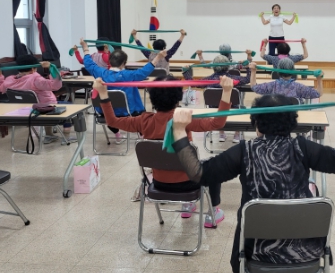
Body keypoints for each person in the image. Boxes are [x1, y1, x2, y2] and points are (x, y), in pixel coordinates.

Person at [170, 94, 335, 273]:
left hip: (255, 251)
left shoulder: (244, 151)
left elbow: (198, 173)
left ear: (256, 123)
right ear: (292, 122)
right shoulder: (303, 148)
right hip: (306, 251)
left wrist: (179, 131)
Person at [92, 75, 235, 227]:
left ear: (152, 98)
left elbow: (112, 121)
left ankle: (187, 206)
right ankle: (212, 213)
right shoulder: (184, 119)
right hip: (189, 184)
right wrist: (227, 91)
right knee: (214, 167)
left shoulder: (143, 121)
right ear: (178, 97)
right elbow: (218, 123)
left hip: (159, 184)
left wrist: (103, 93)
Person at [80, 38, 167, 144]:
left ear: (109, 61)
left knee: (110, 116)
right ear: (124, 63)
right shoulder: (129, 75)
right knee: (144, 116)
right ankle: (142, 134)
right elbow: (144, 71)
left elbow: (88, 63)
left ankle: (117, 134)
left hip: (106, 113)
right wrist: (158, 57)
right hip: (129, 112)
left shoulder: (101, 73)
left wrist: (85, 48)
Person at [0, 54, 70, 144]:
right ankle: (66, 136)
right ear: (33, 68)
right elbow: (56, 86)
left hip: (24, 111)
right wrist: (51, 69)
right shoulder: (35, 80)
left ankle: (50, 135)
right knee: (69, 106)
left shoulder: (9, 81)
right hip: (44, 109)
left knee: (45, 105)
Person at [183, 55, 252, 143]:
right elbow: (248, 79)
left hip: (214, 113)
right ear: (228, 66)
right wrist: (247, 67)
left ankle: (221, 133)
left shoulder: (208, 80)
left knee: (218, 107)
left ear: (213, 67)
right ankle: (237, 134)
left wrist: (185, 71)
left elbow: (192, 83)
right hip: (233, 111)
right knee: (242, 107)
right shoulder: (233, 79)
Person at [249, 60, 322, 103]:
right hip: (293, 121)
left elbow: (254, 87)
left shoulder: (271, 86)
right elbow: (318, 93)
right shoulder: (299, 87)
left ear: (278, 71)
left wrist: (253, 71)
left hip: (275, 122)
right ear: (293, 70)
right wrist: (319, 78)